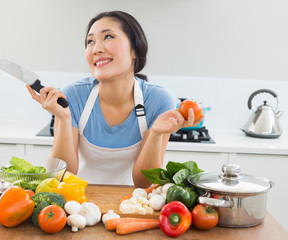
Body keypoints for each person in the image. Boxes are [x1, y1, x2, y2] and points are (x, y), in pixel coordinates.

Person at [27, 11, 203, 188]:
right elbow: (61, 178)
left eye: (108, 36)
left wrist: (157, 134)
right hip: (77, 203)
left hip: (134, 204)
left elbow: (144, 183)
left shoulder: (159, 99)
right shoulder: (73, 94)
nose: (96, 49)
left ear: (135, 49)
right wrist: (63, 119)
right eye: (90, 41)